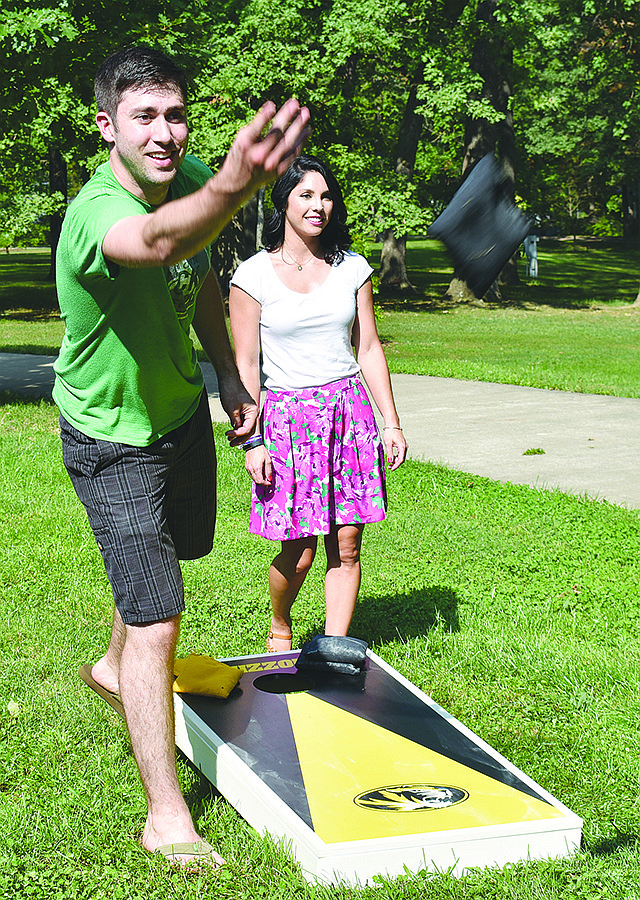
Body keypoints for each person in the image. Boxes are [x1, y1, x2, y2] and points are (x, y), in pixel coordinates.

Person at [53, 46, 310, 868]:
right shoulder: (95, 212)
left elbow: (199, 283)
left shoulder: (191, 171)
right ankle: (166, 815)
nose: (165, 134)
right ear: (107, 126)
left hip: (177, 417)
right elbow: (160, 244)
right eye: (144, 117)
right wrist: (232, 184)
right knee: (160, 613)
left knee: (174, 565)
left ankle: (109, 660)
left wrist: (233, 382)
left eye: (175, 114)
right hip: (109, 436)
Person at [228, 155, 407, 652]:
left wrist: (391, 424)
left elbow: (367, 347)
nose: (318, 205)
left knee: (347, 545)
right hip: (288, 422)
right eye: (305, 194)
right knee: (300, 549)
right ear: (284, 200)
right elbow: (246, 366)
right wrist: (252, 440)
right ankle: (280, 626)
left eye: (326, 195)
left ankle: (333, 647)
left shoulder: (353, 268)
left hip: (349, 415)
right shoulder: (252, 276)